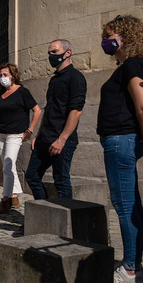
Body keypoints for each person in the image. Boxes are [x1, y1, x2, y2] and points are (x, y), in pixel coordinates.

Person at [97, 15, 143, 283]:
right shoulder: (127, 66)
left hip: (121, 139)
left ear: (127, 38)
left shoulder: (132, 64)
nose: (105, 41)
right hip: (121, 139)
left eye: (110, 36)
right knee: (131, 205)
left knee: (124, 207)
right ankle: (134, 268)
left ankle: (130, 271)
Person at [25, 39, 87, 199]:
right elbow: (48, 108)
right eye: (49, 52)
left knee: (61, 181)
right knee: (31, 176)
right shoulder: (54, 79)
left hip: (62, 139)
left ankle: (66, 221)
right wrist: (38, 136)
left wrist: (62, 139)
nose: (51, 55)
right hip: (45, 138)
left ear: (67, 53)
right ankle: (44, 212)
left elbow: (76, 110)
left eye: (54, 52)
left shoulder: (75, 77)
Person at [0, 63, 41, 213]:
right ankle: (14, 195)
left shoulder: (22, 92)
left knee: (8, 164)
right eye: (0, 75)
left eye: (5, 75)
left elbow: (37, 110)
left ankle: (5, 199)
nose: (2, 78)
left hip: (15, 133)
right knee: (8, 165)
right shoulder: (0, 93)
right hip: (1, 133)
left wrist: (30, 130)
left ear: (13, 76)